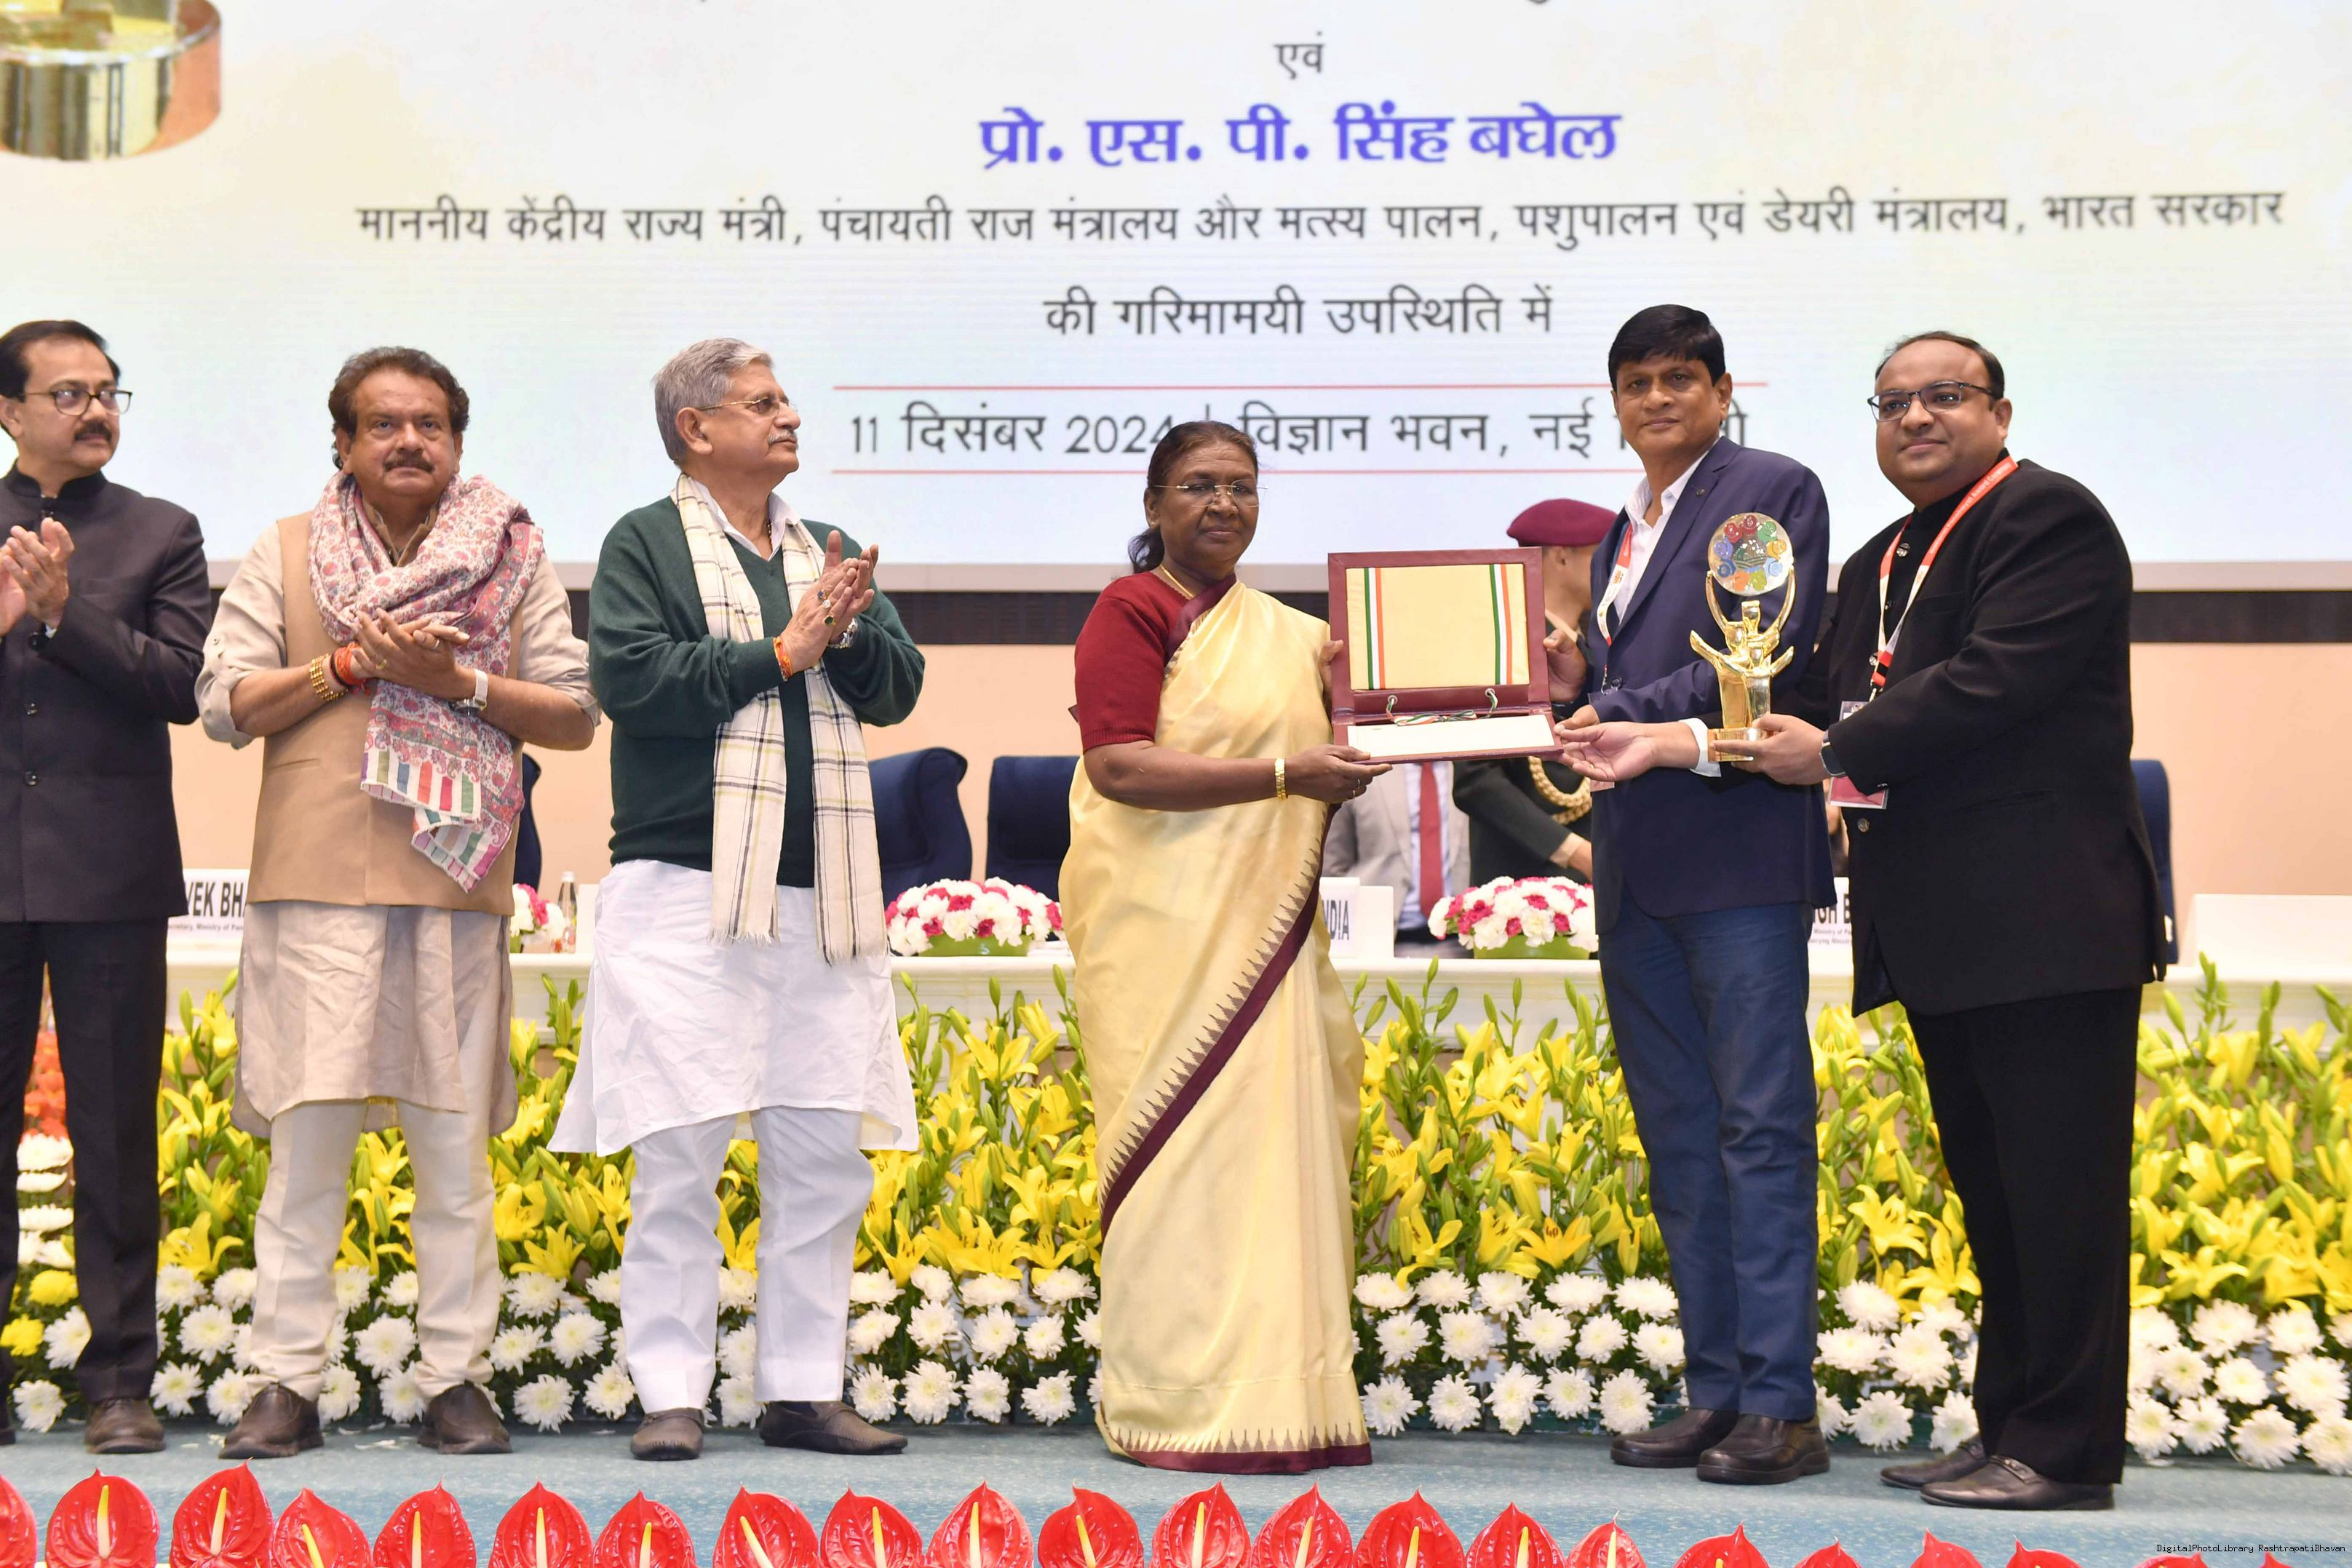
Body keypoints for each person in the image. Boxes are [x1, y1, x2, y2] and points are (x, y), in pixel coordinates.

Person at [1712, 331, 2164, 1511]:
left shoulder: (2047, 519)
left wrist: (1835, 749)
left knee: (2059, 1198)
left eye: (1944, 396)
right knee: (1999, 1196)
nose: (1915, 417)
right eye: (1892, 402)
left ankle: (2063, 1453)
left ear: (1998, 412)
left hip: (2047, 921)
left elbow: (1994, 680)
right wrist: (1655, 708)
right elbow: (1802, 693)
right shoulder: (1883, 556)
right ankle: (2010, 1426)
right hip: (1946, 928)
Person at [200, 347, 598, 1457]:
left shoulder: (511, 555)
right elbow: (225, 702)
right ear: (343, 443)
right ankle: (286, 1381)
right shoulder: (288, 550)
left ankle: (455, 1379)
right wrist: (345, 668)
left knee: (453, 1156)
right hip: (316, 885)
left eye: (430, 423)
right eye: (383, 423)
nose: (409, 440)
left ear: (458, 443)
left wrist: (454, 682)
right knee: (307, 1153)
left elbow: (574, 713)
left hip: (454, 884)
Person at [550, 339, 924, 1462]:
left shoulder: (829, 548)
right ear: (697, 428)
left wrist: (844, 630)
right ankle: (671, 1390)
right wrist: (783, 649)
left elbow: (898, 689)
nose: (789, 414)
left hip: (826, 894)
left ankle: (803, 1389)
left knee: (821, 1155)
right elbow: (632, 682)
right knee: (681, 1151)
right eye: (764, 402)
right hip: (684, 888)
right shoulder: (645, 541)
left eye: (787, 399)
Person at [1064, 420, 1383, 1471]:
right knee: (1182, 1161)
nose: (1223, 504)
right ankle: (1174, 1397)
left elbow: (1380, 721)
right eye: (1199, 485)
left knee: (1268, 1158)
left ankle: (1285, 1398)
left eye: (1241, 487)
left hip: (1263, 935)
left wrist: (1510, 683)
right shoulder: (1131, 610)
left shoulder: (1294, 636)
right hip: (1163, 937)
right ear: (1156, 503)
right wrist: (1287, 776)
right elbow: (1118, 766)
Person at [1552, 305, 1835, 1485]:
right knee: (1679, 1134)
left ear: (1722, 394)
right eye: (1637, 382)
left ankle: (1782, 1404)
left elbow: (1752, 653)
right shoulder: (1629, 528)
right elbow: (1637, 671)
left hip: (1734, 861)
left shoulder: (1763, 492)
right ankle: (1717, 1391)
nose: (1658, 398)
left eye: (1681, 378)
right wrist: (1570, 677)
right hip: (1641, 865)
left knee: (1757, 1129)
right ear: (1615, 403)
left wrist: (1611, 707)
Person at [0, 320, 207, 1453]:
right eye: (68, 392)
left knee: (118, 1135)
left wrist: (59, 611)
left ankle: (121, 1378)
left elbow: (178, 684)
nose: (95, 410)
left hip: (111, 873)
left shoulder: (160, 531)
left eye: (108, 391)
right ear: (9, 410)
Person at [1453, 498, 1616, 884]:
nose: (1614, 570)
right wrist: (1575, 852)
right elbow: (1476, 780)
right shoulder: (1499, 648)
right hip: (1519, 890)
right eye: (1603, 555)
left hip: (1599, 880)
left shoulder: (1597, 651)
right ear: (1561, 557)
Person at [1324, 763, 1469, 950]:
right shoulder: (1363, 770)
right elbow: (1333, 866)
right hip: (1376, 941)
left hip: (1464, 941)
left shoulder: (1473, 769)